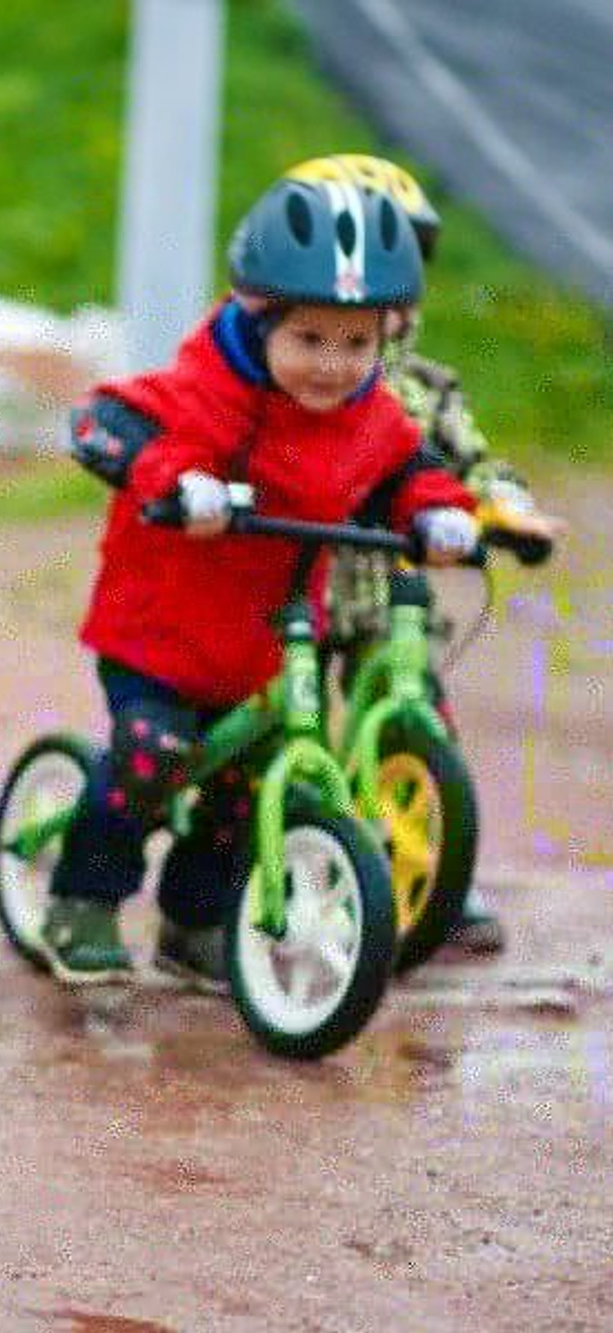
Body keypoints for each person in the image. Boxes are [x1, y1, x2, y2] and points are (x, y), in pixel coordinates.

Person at [46, 175, 478, 988]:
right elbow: (99, 423)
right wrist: (173, 481)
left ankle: (196, 922)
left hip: (267, 640)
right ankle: (81, 900)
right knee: (153, 755)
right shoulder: (201, 391)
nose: (332, 366)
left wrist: (440, 514)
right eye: (309, 339)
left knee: (245, 786)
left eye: (357, 344)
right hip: (160, 635)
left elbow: (405, 471)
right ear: (259, 315)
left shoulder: (368, 414)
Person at [283, 153, 566, 956]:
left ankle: (430, 863)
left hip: (389, 590)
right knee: (277, 718)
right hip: (291, 585)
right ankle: (264, 848)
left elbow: (471, 461)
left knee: (417, 715)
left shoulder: (426, 390)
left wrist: (504, 507)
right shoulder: (297, 372)